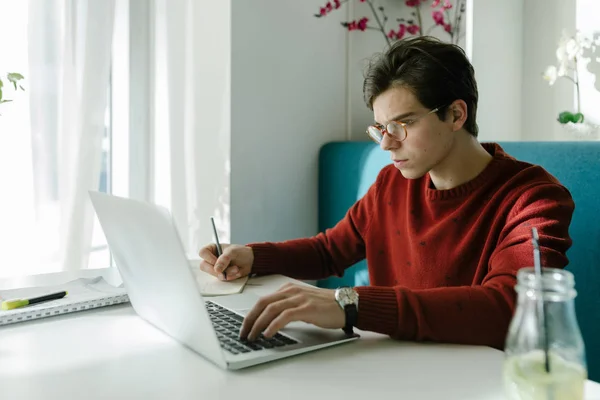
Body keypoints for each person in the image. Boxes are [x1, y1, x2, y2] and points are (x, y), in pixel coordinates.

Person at [199, 36, 574, 349]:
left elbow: (508, 307)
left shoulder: (534, 198)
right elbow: (330, 250)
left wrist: (352, 305)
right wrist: (253, 257)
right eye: (380, 128)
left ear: (456, 115)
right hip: (388, 365)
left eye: (403, 124)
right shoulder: (393, 184)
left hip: (473, 381)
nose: (387, 144)